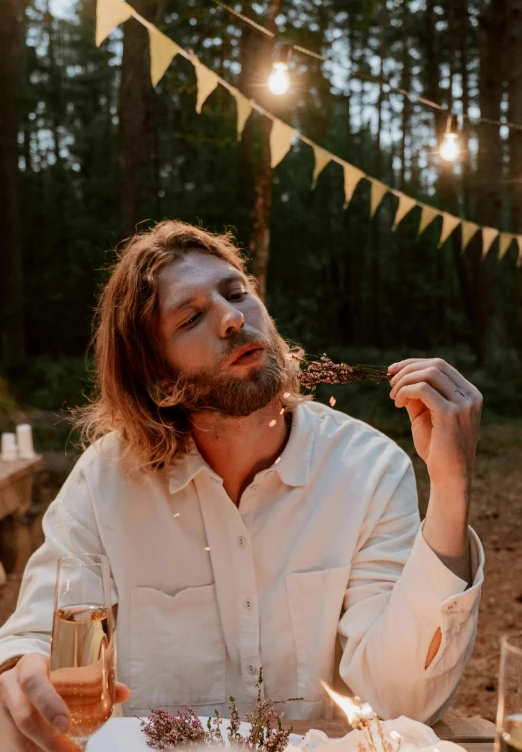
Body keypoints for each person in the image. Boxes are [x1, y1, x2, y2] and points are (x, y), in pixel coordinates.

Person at [0, 220, 484, 752]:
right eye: (191, 319)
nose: (233, 319)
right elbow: (39, 640)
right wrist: (24, 669)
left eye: (237, 294)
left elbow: (402, 699)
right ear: (160, 381)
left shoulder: (368, 471)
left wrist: (451, 485)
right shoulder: (106, 482)